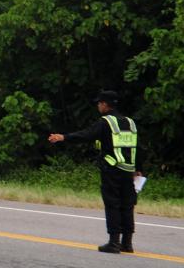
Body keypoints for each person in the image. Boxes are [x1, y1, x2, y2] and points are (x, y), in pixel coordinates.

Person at [48, 90, 140, 254]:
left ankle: (114, 243)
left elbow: (87, 135)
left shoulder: (106, 122)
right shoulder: (130, 123)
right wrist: (138, 169)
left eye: (99, 103)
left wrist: (64, 137)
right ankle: (127, 243)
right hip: (129, 171)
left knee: (113, 204)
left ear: (105, 104)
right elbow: (136, 148)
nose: (98, 105)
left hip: (112, 170)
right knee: (127, 205)